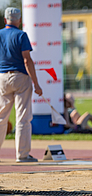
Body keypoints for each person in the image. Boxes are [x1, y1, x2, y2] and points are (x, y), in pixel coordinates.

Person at [0, 7, 43, 162]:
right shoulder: (21, 35)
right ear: (19, 20)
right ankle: (22, 154)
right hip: (20, 77)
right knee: (23, 117)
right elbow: (27, 60)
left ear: (5, 20)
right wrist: (36, 84)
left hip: (2, 77)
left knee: (1, 117)